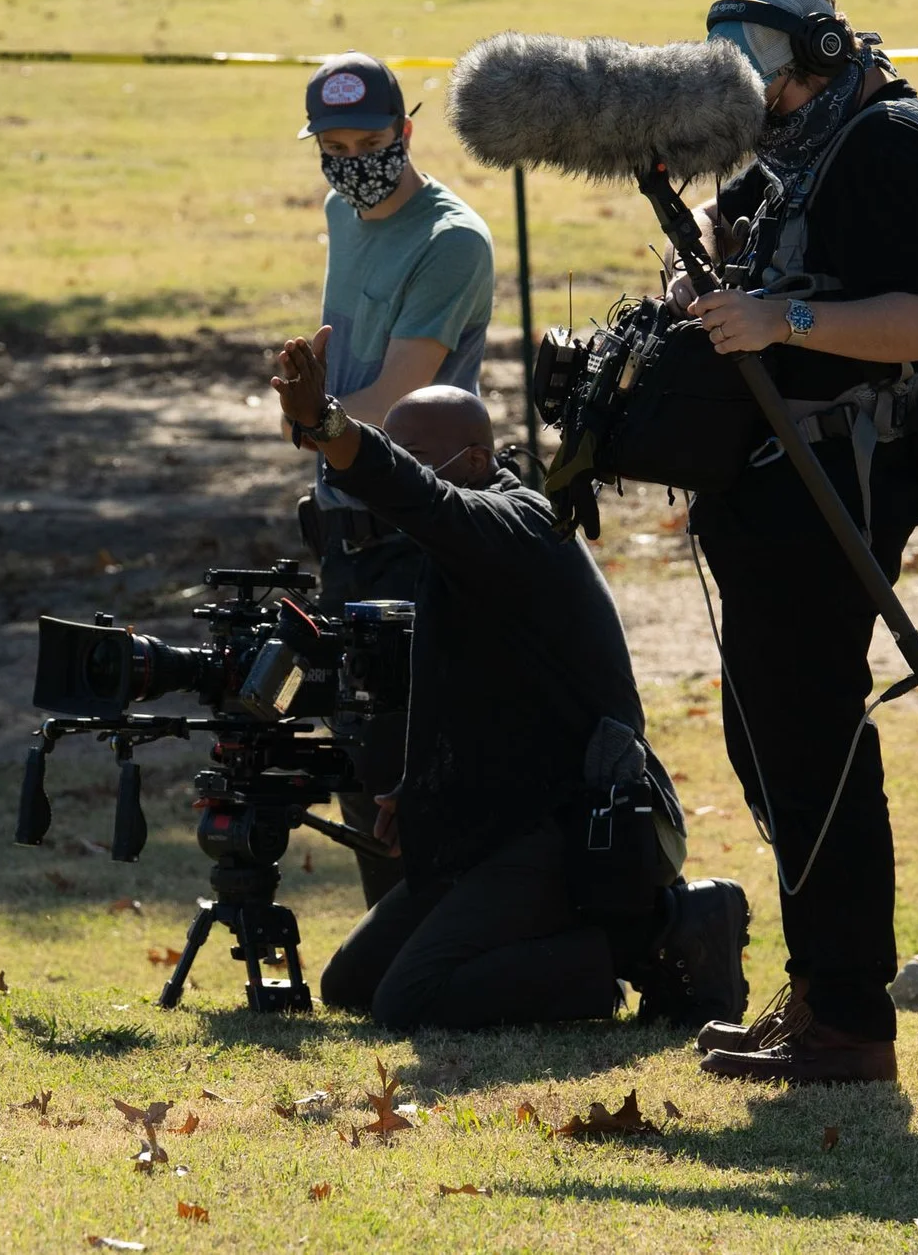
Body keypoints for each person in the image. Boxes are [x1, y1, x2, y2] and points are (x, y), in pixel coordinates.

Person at [270, 327, 748, 1033]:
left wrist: (327, 422)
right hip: (496, 826)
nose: (405, 479)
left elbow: (416, 495)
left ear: (476, 459)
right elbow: (489, 694)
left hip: (562, 832)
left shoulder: (510, 522)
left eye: (419, 461)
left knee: (411, 1000)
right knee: (351, 985)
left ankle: (638, 947)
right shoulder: (463, 545)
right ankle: (578, 945)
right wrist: (419, 786)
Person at [672, 0, 918, 1083]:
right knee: (766, 743)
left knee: (812, 745)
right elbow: (736, 241)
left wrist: (780, 317)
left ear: (824, 48)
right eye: (726, 55)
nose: (748, 78)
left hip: (839, 481)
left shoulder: (891, 144)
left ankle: (851, 1021)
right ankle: (816, 991)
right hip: (762, 484)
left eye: (761, 53)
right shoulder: (790, 147)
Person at [296, 51, 496, 910]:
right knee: (357, 750)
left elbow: (399, 404)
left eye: (368, 140)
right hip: (344, 518)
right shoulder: (345, 211)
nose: (351, 161)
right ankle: (391, 946)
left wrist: (314, 413)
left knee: (413, 763)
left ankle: (439, 947)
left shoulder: (451, 242)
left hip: (412, 529)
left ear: (405, 131)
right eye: (331, 146)